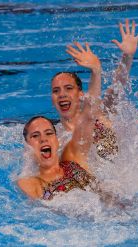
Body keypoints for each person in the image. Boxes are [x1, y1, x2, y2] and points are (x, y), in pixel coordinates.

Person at [18, 42, 103, 200]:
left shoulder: (72, 157)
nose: (43, 138)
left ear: (57, 141)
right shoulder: (31, 183)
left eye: (49, 133)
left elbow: (89, 117)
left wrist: (96, 71)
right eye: (35, 136)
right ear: (27, 146)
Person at [51, 19, 138, 159]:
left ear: (80, 94)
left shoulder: (101, 115)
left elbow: (117, 88)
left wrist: (127, 56)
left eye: (68, 88)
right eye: (56, 90)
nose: (62, 94)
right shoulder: (56, 136)